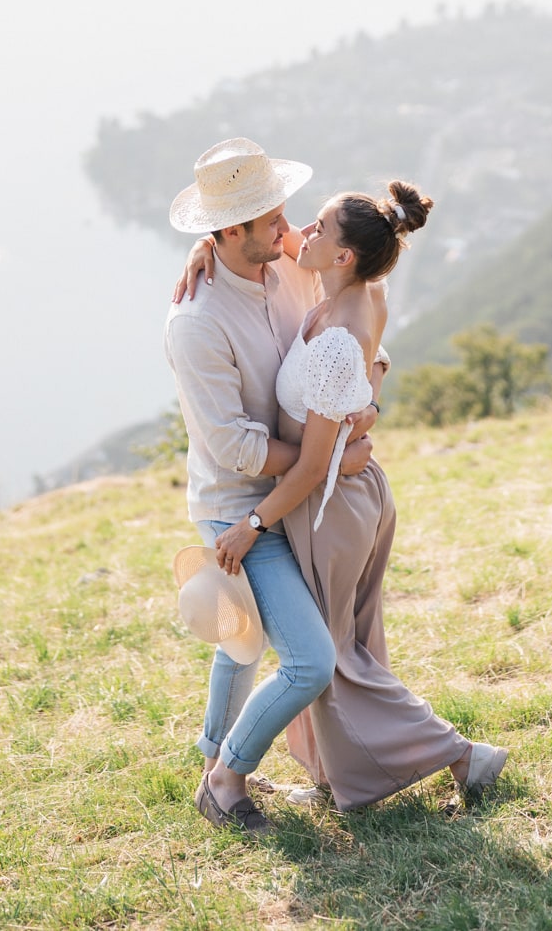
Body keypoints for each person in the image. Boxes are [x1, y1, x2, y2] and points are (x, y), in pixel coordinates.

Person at [210, 180, 509, 812]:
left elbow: (315, 465)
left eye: (318, 229)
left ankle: (462, 755)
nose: (302, 236)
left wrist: (253, 525)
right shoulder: (366, 287)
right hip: (353, 495)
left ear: (343, 255)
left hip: (329, 509)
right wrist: (205, 251)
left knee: (338, 657)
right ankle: (340, 777)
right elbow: (269, 246)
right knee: (350, 644)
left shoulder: (338, 339)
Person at [163, 138, 384, 838]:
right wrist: (325, 459)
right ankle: (225, 780)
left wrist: (367, 397)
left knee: (248, 642)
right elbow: (233, 445)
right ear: (229, 232)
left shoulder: (287, 261)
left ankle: (213, 762)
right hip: (239, 503)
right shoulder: (196, 323)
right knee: (307, 659)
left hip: (298, 488)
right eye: (270, 221)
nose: (289, 229)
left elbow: (359, 299)